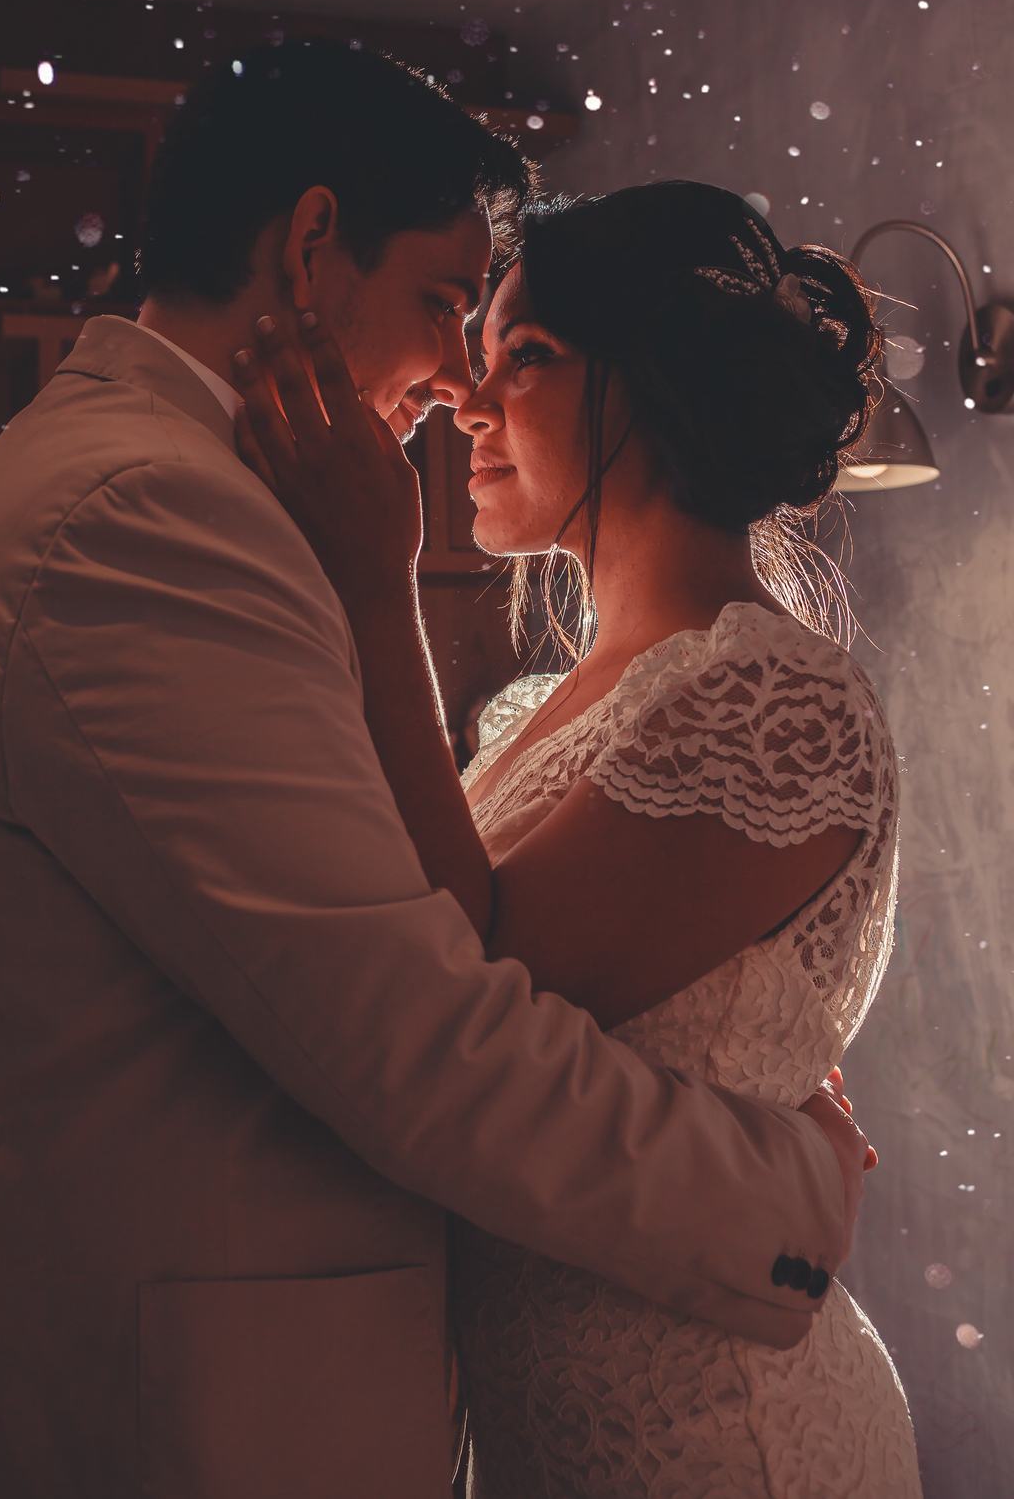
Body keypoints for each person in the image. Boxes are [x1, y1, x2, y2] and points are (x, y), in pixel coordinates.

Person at [0, 43, 866, 1499]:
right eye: (445, 303)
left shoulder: (179, 498)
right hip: (133, 1403)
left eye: (507, 342)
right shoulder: (146, 519)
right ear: (312, 249)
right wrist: (783, 1189)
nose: (458, 380)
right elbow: (414, 1034)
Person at [232, 181, 920, 1496]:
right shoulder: (550, 706)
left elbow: (459, 990)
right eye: (480, 358)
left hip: (718, 1435)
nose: (472, 403)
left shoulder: (770, 697)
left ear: (657, 380)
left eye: (528, 356)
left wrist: (373, 582)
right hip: (558, 1424)